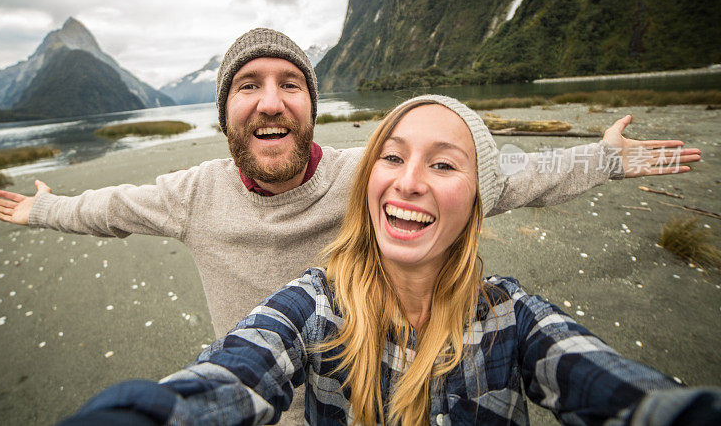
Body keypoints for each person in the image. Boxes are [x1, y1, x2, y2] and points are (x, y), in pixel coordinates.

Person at [0, 28, 700, 339]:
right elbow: (108, 207)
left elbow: (501, 177)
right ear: (226, 111)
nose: (270, 99)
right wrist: (48, 208)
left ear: (311, 108)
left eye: (290, 83)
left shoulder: (370, 176)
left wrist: (604, 158)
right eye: (248, 85)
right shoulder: (192, 192)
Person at [62, 96, 720, 425]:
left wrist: (602, 157)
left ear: (478, 200)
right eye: (393, 156)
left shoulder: (512, 318)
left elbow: (626, 393)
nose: (408, 181)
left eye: (443, 163)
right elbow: (232, 374)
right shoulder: (315, 306)